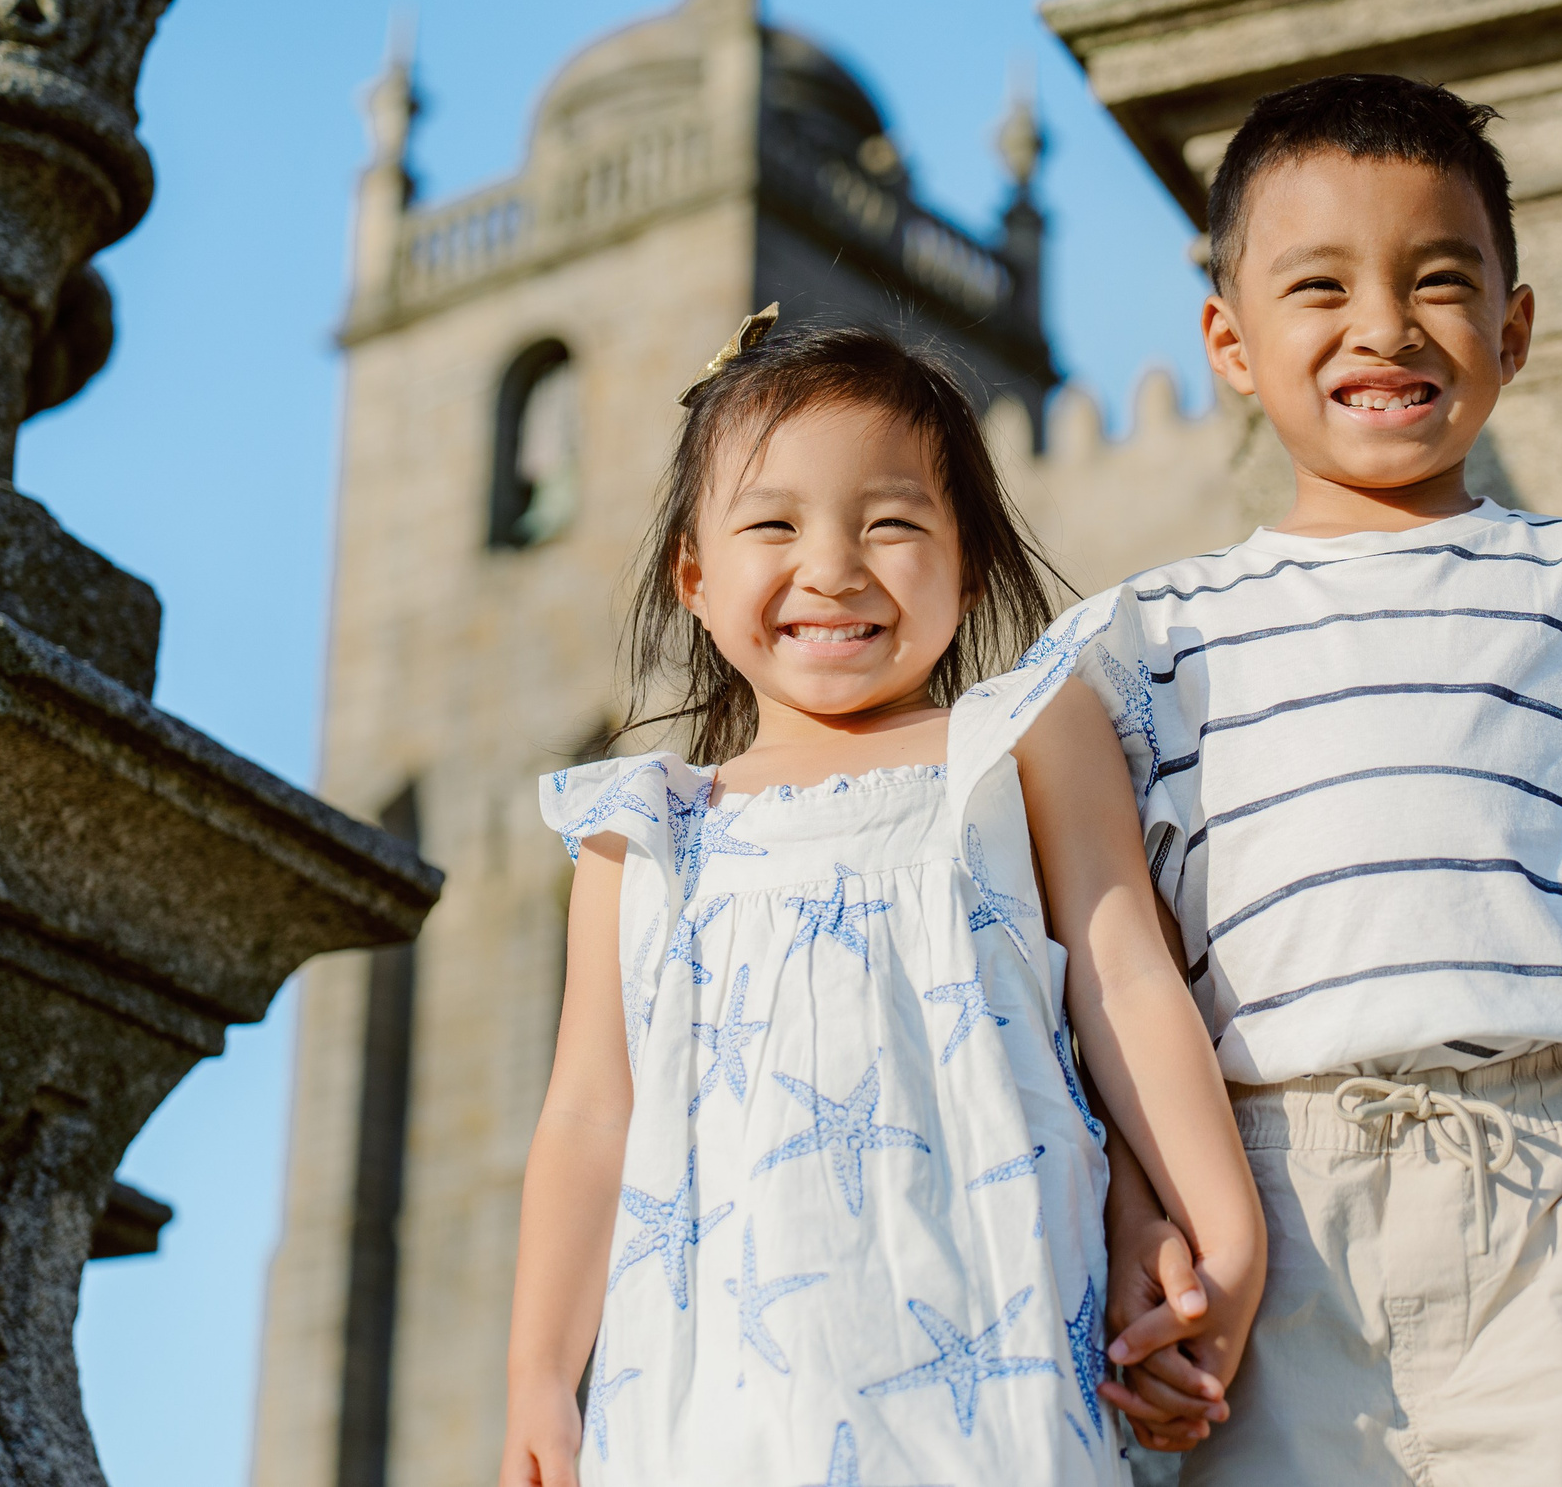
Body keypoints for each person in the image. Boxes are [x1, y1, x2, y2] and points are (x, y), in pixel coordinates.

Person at [1073, 75, 1562, 1485]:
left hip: (1558, 1197)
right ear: (1228, 342)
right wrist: (1140, 1212)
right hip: (1267, 1217)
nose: (1384, 324)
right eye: (1320, 286)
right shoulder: (1151, 642)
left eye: (1439, 279)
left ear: (1515, 326)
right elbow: (1126, 970)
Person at [503, 319, 1265, 1487]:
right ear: (696, 580)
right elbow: (588, 1116)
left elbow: (1125, 984)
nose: (833, 567)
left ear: (966, 560)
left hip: (998, 1362)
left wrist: (1226, 1237)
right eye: (773, 523)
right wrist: (541, 1379)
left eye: (893, 522)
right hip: (716, 1403)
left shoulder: (1016, 742)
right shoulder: (638, 830)